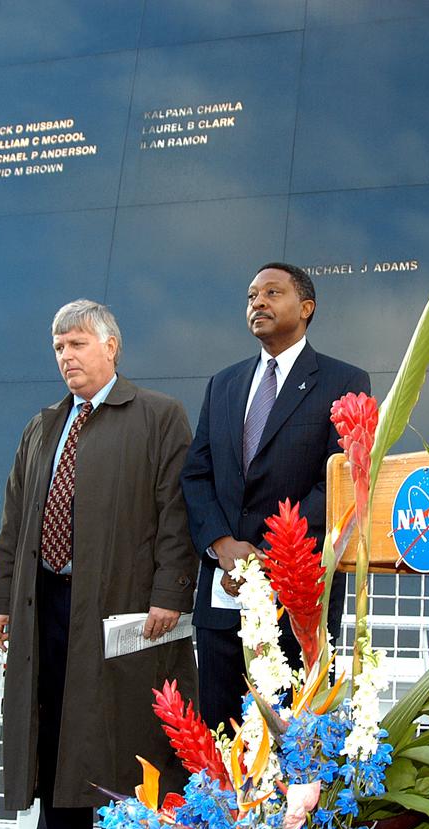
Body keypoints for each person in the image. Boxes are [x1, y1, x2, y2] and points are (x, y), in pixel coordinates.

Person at [0, 300, 198, 829]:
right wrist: (3, 599)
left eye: (77, 344)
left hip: (126, 611)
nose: (66, 356)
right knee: (55, 737)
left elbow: (178, 512)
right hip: (45, 610)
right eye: (59, 347)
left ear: (111, 347)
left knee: (121, 742)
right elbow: (15, 521)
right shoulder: (42, 426)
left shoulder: (158, 414)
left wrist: (171, 591)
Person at [181, 262, 370, 731]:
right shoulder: (222, 384)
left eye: (272, 293)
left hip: (297, 593)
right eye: (251, 296)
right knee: (221, 743)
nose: (257, 303)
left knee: (291, 746)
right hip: (224, 595)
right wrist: (222, 546)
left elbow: (339, 481)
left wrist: (270, 553)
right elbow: (196, 474)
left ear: (306, 308)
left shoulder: (344, 381)